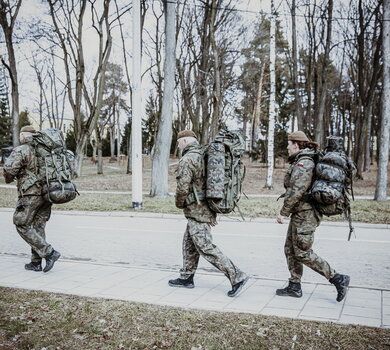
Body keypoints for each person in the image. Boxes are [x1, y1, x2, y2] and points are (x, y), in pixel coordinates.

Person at [168, 130, 249, 297]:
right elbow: (210, 186)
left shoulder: (188, 159)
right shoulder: (204, 155)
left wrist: (178, 204)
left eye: (178, 142)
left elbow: (183, 187)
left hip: (196, 210)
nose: (178, 145)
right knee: (189, 243)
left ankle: (237, 276)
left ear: (184, 141)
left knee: (205, 246)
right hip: (202, 209)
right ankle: (186, 277)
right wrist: (211, 213)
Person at [275, 130, 350, 302]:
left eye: (289, 144)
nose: (287, 147)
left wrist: (283, 213)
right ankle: (294, 285)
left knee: (302, 252)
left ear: (296, 144)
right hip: (300, 212)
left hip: (306, 213)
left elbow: (297, 190)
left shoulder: (305, 162)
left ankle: (338, 278)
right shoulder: (303, 160)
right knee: (290, 249)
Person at [3, 125, 61, 273]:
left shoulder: (23, 149)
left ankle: (49, 253)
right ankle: (35, 263)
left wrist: (9, 179)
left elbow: (9, 169)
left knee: (21, 223)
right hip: (49, 193)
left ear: (24, 135)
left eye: (21, 134)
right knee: (38, 226)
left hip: (30, 194)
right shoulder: (47, 149)